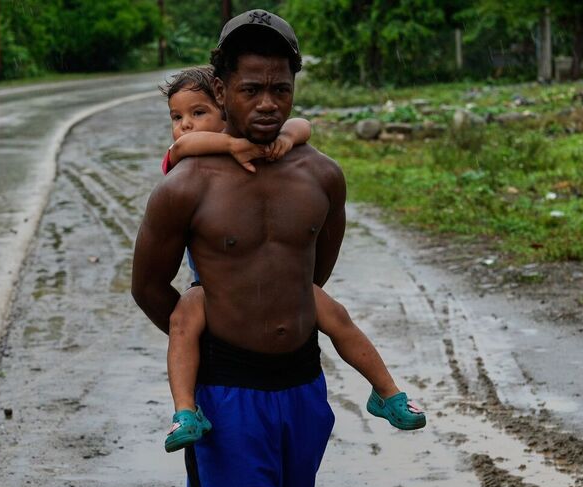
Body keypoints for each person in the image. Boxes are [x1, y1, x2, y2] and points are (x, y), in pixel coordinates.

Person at [133, 9, 369, 487]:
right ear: (223, 92)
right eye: (251, 89)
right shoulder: (186, 188)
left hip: (301, 387)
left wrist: (274, 319)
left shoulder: (322, 176)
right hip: (228, 396)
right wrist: (211, 338)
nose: (268, 103)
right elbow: (148, 289)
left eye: (281, 87)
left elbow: (313, 274)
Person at [156, 66, 425, 452]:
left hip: (284, 285)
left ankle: (386, 392)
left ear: (227, 109)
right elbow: (181, 148)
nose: (185, 126)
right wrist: (230, 147)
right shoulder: (188, 164)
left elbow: (303, 124)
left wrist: (284, 136)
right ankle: (185, 411)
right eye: (176, 117)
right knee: (183, 320)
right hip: (215, 290)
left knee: (337, 316)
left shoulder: (267, 150)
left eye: (198, 113)